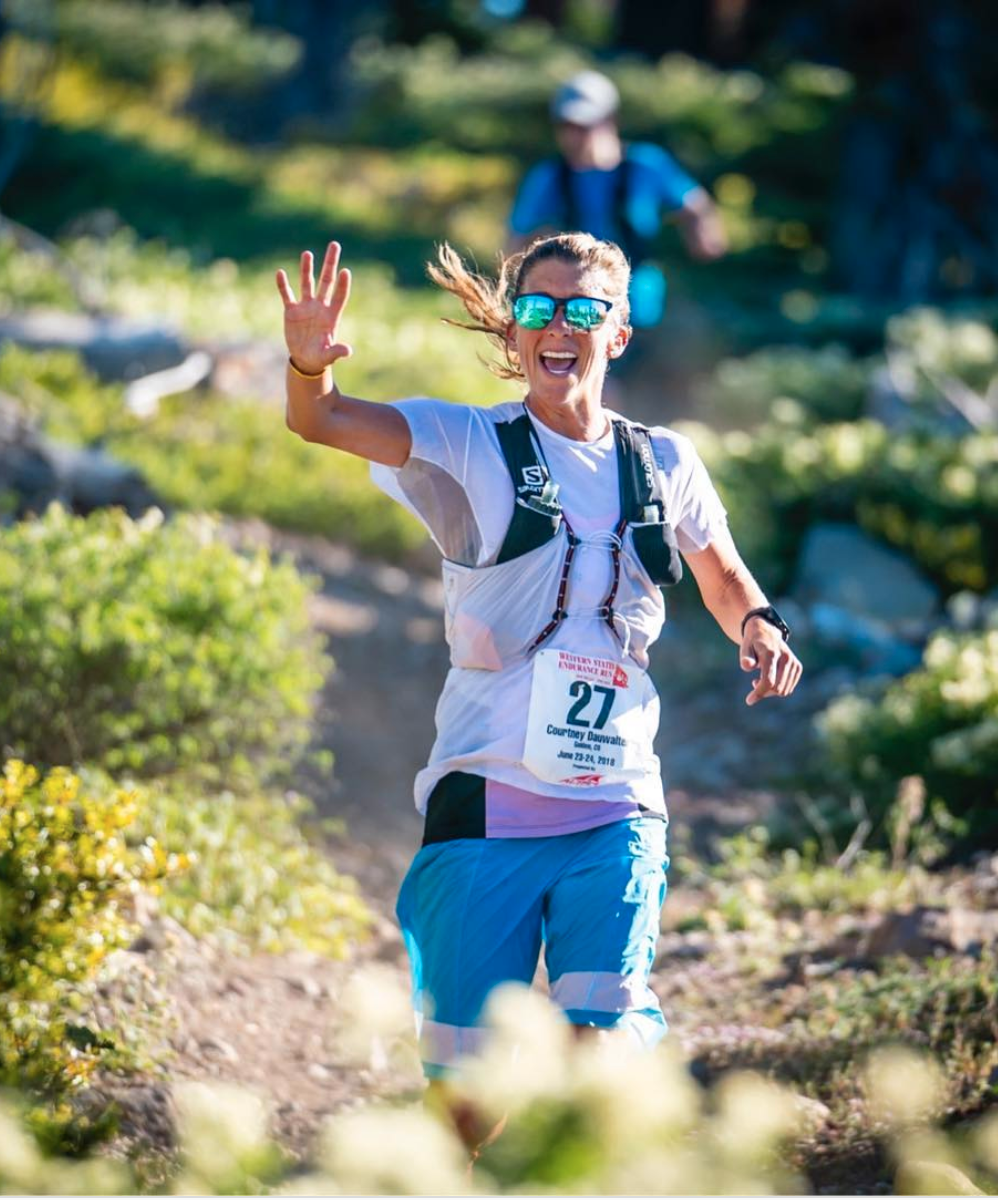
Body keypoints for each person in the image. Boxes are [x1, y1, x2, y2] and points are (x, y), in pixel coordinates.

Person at [275, 233, 800, 1134]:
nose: (559, 325)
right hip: (484, 801)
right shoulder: (463, 439)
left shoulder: (666, 461)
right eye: (537, 308)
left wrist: (759, 625)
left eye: (584, 309)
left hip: (616, 802)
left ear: (620, 332)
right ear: (514, 332)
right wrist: (307, 366)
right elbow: (319, 423)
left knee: (598, 1054)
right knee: (464, 1107)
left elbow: (721, 573)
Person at [508, 70, 728, 329]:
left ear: (610, 119)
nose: (574, 136)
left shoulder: (646, 165)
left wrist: (704, 245)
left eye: (584, 125)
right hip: (580, 313)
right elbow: (514, 245)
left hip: (642, 307)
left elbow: (696, 209)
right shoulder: (549, 177)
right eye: (567, 126)